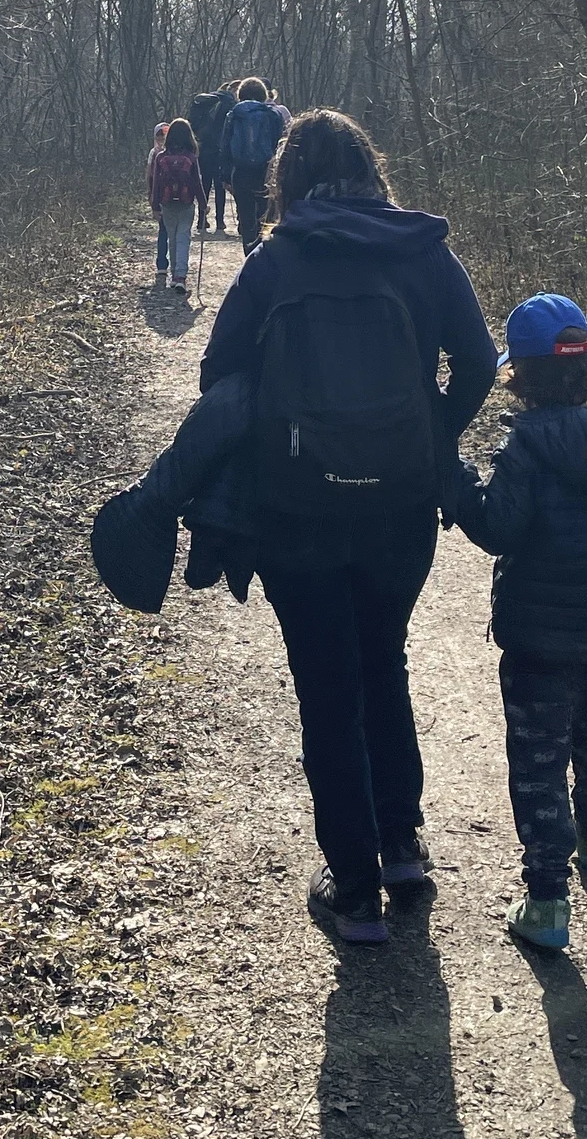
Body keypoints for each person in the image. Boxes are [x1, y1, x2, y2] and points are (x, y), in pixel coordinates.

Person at [199, 109, 499, 945]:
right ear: (373, 169)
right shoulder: (424, 251)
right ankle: (402, 845)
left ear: (286, 178)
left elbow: (218, 375)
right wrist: (432, 435)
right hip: (402, 504)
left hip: (296, 508)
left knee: (327, 684)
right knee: (383, 660)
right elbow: (480, 361)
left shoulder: (275, 260)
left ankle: (356, 888)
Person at [450, 295, 587, 955]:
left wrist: (456, 483)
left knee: (539, 760)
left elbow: (497, 529)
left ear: (521, 375)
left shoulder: (527, 446)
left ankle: (546, 900)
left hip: (540, 641)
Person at [223, 77, 288, 254]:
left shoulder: (234, 114)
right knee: (265, 214)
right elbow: (280, 145)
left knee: (245, 216)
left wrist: (225, 176)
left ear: (240, 95)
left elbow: (225, 145)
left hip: (241, 172)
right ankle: (262, 252)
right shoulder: (273, 114)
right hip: (265, 172)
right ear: (264, 95)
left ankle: (248, 253)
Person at [148, 118, 204, 292]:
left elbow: (156, 182)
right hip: (186, 204)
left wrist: (155, 206)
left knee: (171, 238)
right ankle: (180, 276)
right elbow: (197, 183)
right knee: (183, 238)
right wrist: (203, 204)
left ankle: (174, 275)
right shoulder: (191, 157)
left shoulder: (160, 157)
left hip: (167, 204)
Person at [188, 86, 237, 235]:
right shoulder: (229, 104)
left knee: (205, 184)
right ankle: (220, 221)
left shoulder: (204, 102)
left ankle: (201, 219)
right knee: (220, 186)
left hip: (204, 149)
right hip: (220, 150)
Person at [146, 122, 170, 278]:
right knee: (168, 231)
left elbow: (149, 176)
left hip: (161, 197)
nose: (162, 138)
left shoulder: (154, 153)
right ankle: (168, 264)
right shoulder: (179, 152)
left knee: (164, 231)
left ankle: (162, 264)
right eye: (160, 136)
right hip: (170, 198)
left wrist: (151, 197)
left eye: (165, 135)